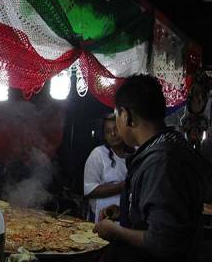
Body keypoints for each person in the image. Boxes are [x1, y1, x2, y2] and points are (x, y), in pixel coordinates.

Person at [94, 74, 212, 262]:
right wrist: (127, 211)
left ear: (127, 116)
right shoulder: (167, 147)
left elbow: (163, 241)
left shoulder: (162, 161)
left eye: (117, 116)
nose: (117, 123)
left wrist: (115, 231)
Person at [83, 114, 127, 222]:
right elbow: (89, 190)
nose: (112, 134)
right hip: (102, 217)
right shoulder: (98, 154)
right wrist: (122, 186)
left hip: (127, 219)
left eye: (116, 129)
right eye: (108, 131)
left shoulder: (136, 152)